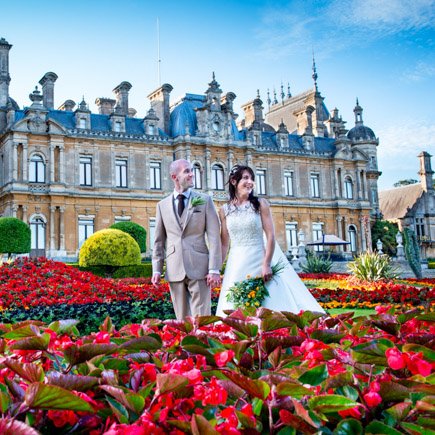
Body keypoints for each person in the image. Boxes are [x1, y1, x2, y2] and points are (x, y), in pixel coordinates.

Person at [216, 165, 325, 316]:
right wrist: (216, 269)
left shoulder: (260, 204)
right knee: (235, 304)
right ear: (234, 181)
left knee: (269, 302)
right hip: (236, 263)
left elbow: (270, 235)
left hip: (258, 259)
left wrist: (266, 263)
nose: (251, 182)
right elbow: (224, 243)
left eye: (252, 178)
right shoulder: (224, 210)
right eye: (246, 178)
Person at [152, 159, 222, 320]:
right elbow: (158, 241)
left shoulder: (205, 200)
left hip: (200, 268)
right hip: (174, 267)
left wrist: (214, 269)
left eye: (192, 170)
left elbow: (214, 237)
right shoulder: (162, 205)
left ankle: (203, 345)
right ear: (174, 177)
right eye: (187, 171)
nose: (192, 174)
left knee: (202, 319)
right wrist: (156, 269)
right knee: (181, 321)